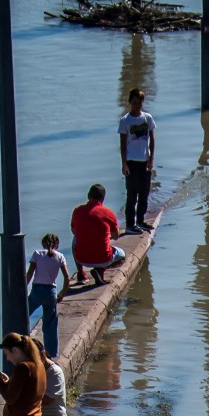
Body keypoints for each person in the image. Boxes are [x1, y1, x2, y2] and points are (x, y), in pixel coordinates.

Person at [23, 233, 69, 359]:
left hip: (37, 290)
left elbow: (30, 274)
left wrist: (22, 290)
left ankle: (22, 344)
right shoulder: (60, 256)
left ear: (43, 244)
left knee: (23, 315)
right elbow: (67, 278)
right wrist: (62, 293)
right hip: (51, 292)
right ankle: (51, 353)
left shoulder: (37, 254)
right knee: (50, 324)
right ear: (57, 245)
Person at [69, 183, 124, 285]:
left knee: (75, 239)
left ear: (88, 196)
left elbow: (73, 231)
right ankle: (99, 271)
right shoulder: (108, 213)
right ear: (103, 198)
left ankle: (81, 274)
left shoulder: (77, 211)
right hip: (103, 258)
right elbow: (116, 236)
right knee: (122, 255)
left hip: (81, 258)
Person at [118, 88, 156, 234]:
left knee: (144, 193)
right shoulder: (125, 121)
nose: (137, 105)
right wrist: (124, 163)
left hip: (145, 161)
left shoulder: (147, 118)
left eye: (139, 103)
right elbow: (122, 144)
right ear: (130, 102)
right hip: (131, 162)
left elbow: (152, 139)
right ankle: (130, 224)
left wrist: (151, 159)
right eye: (134, 103)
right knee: (132, 194)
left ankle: (141, 220)